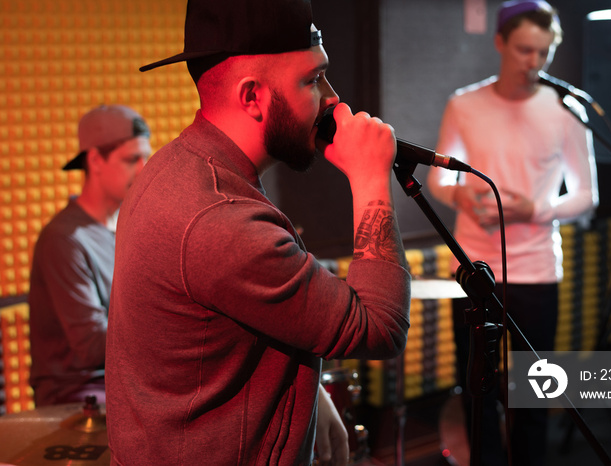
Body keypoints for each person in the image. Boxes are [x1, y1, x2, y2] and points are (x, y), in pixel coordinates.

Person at [104, 1, 411, 465]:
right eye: (312, 80)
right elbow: (379, 326)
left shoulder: (175, 167)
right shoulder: (219, 218)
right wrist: (371, 179)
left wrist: (306, 394)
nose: (335, 99)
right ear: (252, 97)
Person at [427, 1, 599, 465]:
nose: (533, 62)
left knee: (533, 399)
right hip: (475, 270)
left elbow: (586, 195)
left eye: (543, 53)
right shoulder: (465, 103)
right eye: (524, 50)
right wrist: (463, 196)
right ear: (500, 43)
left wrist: (537, 208)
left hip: (537, 271)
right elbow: (439, 179)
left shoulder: (565, 110)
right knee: (479, 396)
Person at [28, 104, 151, 407]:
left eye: (145, 157)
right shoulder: (65, 240)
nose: (143, 170)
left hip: (124, 379)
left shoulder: (132, 223)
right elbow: (91, 346)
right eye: (131, 159)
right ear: (95, 160)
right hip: (79, 394)